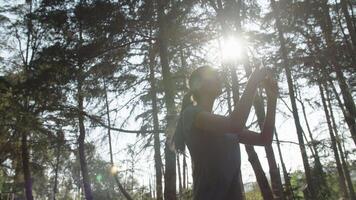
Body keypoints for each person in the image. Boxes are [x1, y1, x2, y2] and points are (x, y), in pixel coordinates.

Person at [174, 66, 278, 200]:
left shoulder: (224, 128)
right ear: (198, 85)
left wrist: (272, 99)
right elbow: (235, 124)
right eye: (212, 75)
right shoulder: (190, 114)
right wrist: (253, 81)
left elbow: (264, 139)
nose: (219, 78)